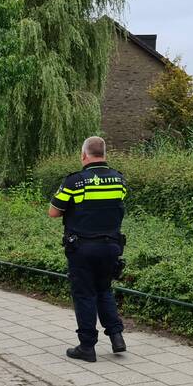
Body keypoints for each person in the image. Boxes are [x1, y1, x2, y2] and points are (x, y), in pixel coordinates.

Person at [48, 136, 127, 362]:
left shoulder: (75, 181)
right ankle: (116, 336)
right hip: (111, 246)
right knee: (104, 289)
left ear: (84, 155)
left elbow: (54, 212)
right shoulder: (119, 180)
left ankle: (87, 346)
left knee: (84, 294)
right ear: (105, 154)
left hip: (82, 247)